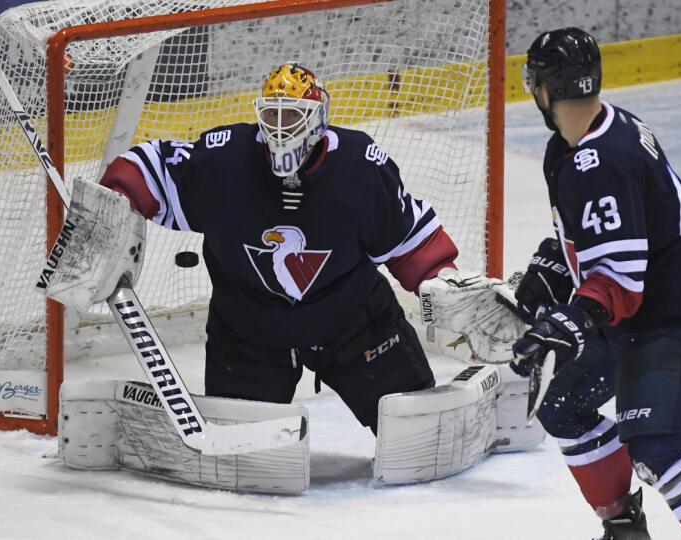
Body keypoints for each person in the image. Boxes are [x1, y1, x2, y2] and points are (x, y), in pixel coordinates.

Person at [94, 63, 464, 435]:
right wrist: (114, 202)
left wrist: (446, 286)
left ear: (318, 119)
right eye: (272, 114)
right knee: (241, 452)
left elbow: (406, 237)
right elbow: (149, 166)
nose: (282, 127)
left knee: (420, 431)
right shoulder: (225, 161)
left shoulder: (359, 166)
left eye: (294, 115)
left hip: (353, 325)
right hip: (249, 330)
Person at [510, 28, 681, 540]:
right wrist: (559, 259)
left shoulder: (603, 160)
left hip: (666, 312)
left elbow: (620, 285)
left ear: (547, 91)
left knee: (658, 448)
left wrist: (572, 317)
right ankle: (625, 530)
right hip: (638, 299)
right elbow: (618, 227)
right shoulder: (584, 141)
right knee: (564, 407)